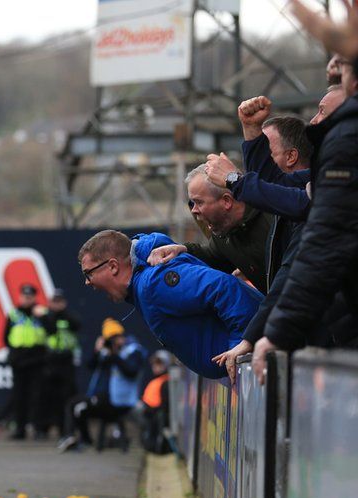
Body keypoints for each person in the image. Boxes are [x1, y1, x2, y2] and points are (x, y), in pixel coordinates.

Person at [254, 55, 358, 379]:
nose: (313, 121)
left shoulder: (344, 148)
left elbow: (318, 251)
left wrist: (273, 332)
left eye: (324, 113)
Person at [78, 230, 261, 380]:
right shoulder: (144, 283)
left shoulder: (153, 283)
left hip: (258, 365)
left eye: (89, 274)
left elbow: (222, 287)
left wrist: (242, 345)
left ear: (112, 266)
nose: (87, 282)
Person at [147, 165, 272, 293]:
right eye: (192, 203)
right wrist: (183, 249)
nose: (194, 210)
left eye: (199, 202)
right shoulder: (224, 234)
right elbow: (215, 257)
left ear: (227, 201)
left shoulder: (274, 220)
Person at [58, 319, 145, 453]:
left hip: (121, 400)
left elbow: (131, 372)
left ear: (122, 336)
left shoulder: (133, 351)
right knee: (74, 404)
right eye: (110, 339)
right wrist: (97, 351)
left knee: (77, 406)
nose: (113, 342)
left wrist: (115, 356)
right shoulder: (106, 352)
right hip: (103, 397)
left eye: (116, 338)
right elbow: (90, 366)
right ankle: (81, 439)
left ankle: (83, 440)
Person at [0, 284, 46, 439]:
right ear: (20, 297)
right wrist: (15, 353)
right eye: (24, 296)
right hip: (19, 360)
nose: (27, 299)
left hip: (37, 358)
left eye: (30, 296)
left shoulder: (41, 313)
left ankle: (38, 428)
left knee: (38, 395)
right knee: (19, 396)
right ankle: (20, 429)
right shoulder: (14, 314)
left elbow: (51, 331)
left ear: (34, 297)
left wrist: (44, 317)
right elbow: (6, 337)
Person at [41, 290, 80, 437]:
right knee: (50, 397)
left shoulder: (69, 316)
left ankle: (66, 429)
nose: (57, 305)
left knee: (67, 396)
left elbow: (78, 325)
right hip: (50, 360)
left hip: (66, 360)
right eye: (54, 302)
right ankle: (46, 427)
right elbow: (48, 330)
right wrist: (52, 314)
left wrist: (62, 313)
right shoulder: (47, 317)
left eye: (59, 302)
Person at [139, 351, 172, 455]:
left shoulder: (166, 381)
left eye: (159, 363)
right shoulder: (156, 380)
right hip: (149, 414)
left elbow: (164, 406)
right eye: (155, 363)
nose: (156, 367)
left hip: (156, 415)